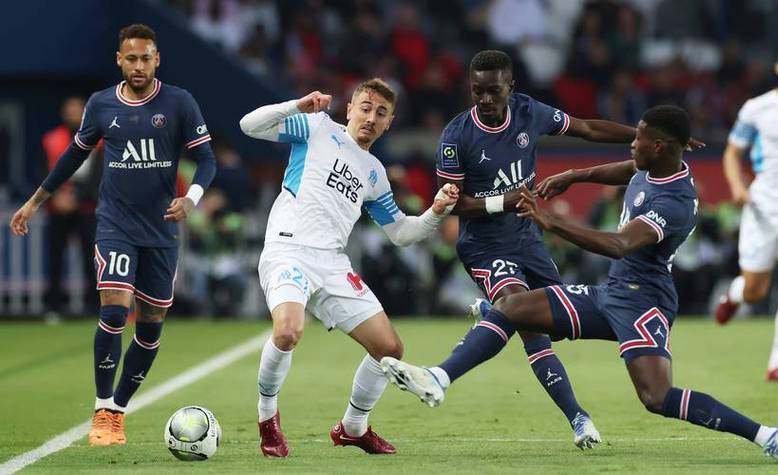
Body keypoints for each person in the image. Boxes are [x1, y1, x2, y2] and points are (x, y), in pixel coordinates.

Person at [381, 106, 778, 466]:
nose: (631, 143)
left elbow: (619, 245)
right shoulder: (653, 166)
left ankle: (768, 435)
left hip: (645, 305)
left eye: (639, 139)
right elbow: (625, 170)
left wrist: (551, 222)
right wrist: (575, 175)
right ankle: (439, 377)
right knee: (513, 308)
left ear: (660, 147)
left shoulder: (675, 202)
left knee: (657, 398)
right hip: (611, 293)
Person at [434, 49, 700, 448]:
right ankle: (573, 415)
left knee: (545, 325)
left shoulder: (529, 112)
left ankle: (493, 316)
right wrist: (503, 201)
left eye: (493, 91)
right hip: (486, 244)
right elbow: (451, 205)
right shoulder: (456, 137)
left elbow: (588, 129)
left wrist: (656, 138)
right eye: (477, 91)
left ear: (510, 88)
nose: (485, 99)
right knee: (521, 313)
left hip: (527, 237)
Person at [9, 24, 217, 446]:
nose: (138, 65)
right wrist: (34, 202)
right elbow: (73, 156)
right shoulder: (101, 104)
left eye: (146, 58)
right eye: (131, 58)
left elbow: (207, 160)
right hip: (115, 224)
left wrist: (192, 198)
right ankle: (103, 409)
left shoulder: (179, 102)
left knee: (151, 325)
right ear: (119, 60)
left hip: (161, 230)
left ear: (157, 60)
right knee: (115, 310)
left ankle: (119, 409)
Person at [239, 78, 458, 457]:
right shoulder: (316, 127)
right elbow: (249, 125)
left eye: (381, 113)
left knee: (389, 348)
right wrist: (296, 105)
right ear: (350, 109)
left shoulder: (374, 173)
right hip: (288, 249)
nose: (371, 118)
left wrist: (436, 211)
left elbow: (401, 233)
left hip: (332, 264)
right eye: (366, 108)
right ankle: (267, 417)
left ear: (389, 122)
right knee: (288, 331)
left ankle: (353, 428)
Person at [714, 42, 778, 383]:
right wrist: (737, 187)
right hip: (764, 207)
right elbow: (731, 153)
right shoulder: (757, 109)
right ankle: (735, 295)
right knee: (756, 289)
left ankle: (777, 364)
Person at [41, 96, 101, 315]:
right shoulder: (51, 139)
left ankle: (93, 306)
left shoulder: (97, 140)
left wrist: (78, 197)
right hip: (57, 208)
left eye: (77, 109)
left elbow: (98, 175)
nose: (73, 113)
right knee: (55, 258)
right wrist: (56, 196)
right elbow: (43, 172)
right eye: (70, 109)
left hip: (85, 208)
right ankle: (53, 307)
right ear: (63, 113)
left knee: (90, 258)